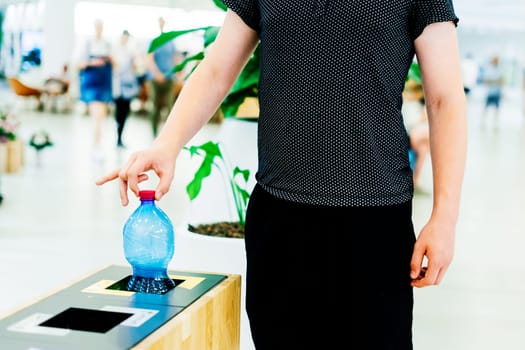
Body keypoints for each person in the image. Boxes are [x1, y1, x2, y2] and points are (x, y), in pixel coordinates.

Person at [97, 1, 467, 349]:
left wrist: (444, 218)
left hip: (374, 222)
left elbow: (444, 97)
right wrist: (166, 145)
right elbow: (215, 70)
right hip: (280, 220)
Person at [75, 18, 113, 158]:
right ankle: (96, 145)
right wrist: (92, 62)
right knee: (96, 117)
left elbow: (116, 65)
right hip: (91, 83)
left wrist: (111, 59)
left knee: (100, 117)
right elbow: (78, 63)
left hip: (104, 83)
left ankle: (97, 144)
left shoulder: (108, 45)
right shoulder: (86, 43)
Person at [146, 17, 180, 137]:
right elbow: (149, 59)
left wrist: (178, 72)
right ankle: (154, 134)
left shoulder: (171, 41)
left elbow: (175, 58)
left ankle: (167, 135)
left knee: (170, 107)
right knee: (154, 107)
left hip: (169, 78)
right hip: (155, 79)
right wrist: (157, 74)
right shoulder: (154, 41)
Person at [112, 30, 140, 148]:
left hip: (128, 88)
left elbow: (136, 69)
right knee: (118, 112)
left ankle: (120, 137)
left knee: (124, 112)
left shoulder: (131, 52)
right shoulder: (114, 51)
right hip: (118, 87)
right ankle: (118, 136)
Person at [481, 54, 504, 122]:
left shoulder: (500, 69)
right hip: (489, 92)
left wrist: (493, 81)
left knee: (497, 110)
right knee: (485, 109)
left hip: (497, 93)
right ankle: (483, 122)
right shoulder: (488, 69)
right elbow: (485, 80)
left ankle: (495, 123)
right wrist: (495, 81)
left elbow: (502, 81)